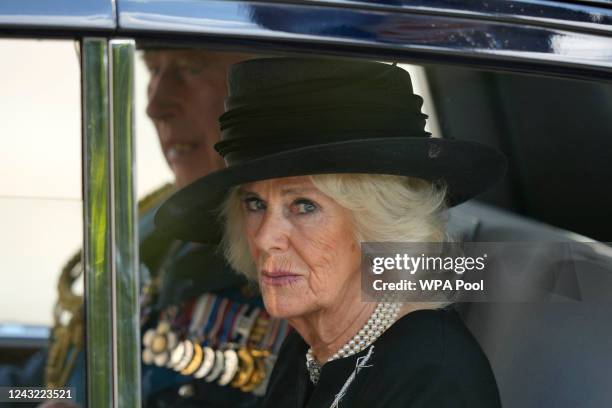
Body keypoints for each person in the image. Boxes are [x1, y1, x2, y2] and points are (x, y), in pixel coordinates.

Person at [155, 57, 505, 407]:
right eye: (254, 204)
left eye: (304, 206)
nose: (264, 238)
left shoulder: (433, 375)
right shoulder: (309, 345)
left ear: (378, 223)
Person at [24, 48, 287, 408]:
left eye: (191, 67)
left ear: (271, 89)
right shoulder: (149, 227)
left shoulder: (321, 259)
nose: (156, 105)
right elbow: (47, 387)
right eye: (153, 70)